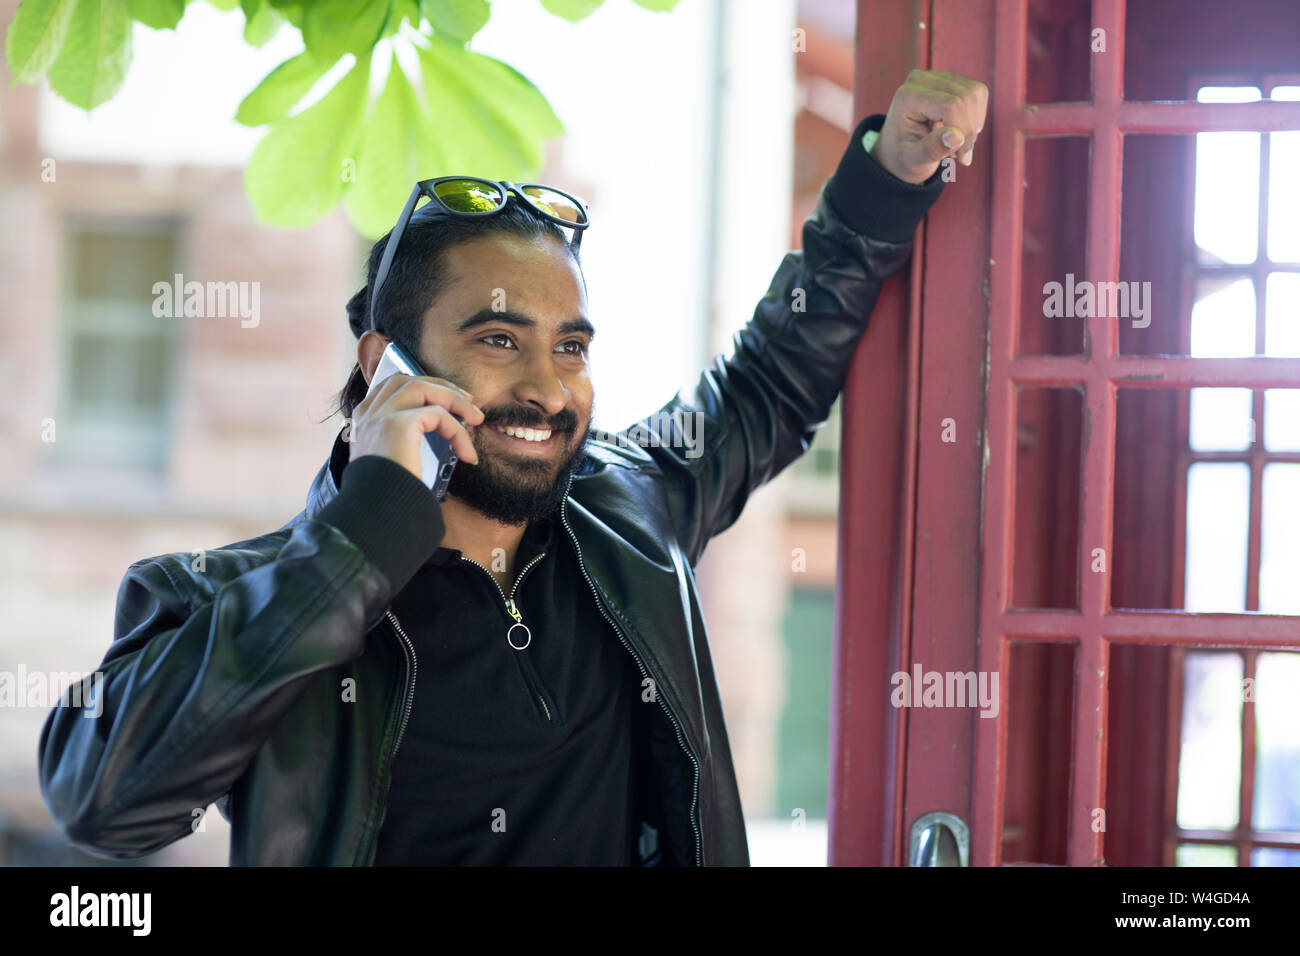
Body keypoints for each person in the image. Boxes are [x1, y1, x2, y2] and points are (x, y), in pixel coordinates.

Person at [38, 70, 988, 865]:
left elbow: (769, 382)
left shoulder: (634, 508)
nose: (546, 387)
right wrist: (361, 538)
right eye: (499, 339)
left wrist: (883, 183)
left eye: (569, 347)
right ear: (385, 366)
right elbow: (106, 801)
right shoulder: (226, 597)